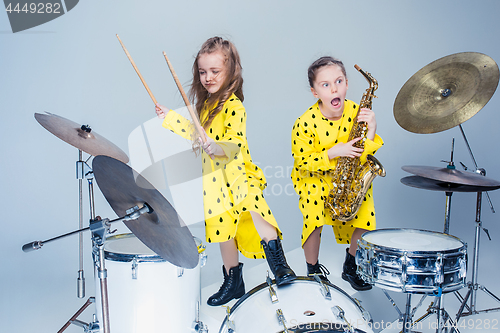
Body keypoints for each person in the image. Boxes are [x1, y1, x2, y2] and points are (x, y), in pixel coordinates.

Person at [156, 36, 296, 306]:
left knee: (258, 216)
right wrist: (170, 118)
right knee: (223, 230)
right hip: (214, 182)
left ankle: (280, 266)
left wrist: (216, 146)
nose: (208, 77)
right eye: (202, 72)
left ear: (230, 71)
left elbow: (235, 143)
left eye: (215, 71)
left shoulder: (234, 106)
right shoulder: (205, 106)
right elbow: (194, 132)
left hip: (239, 178)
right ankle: (233, 281)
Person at [291, 56, 383, 291]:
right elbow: (303, 162)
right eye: (325, 85)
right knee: (314, 216)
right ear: (314, 92)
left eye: (339, 81)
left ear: (347, 84)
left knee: (365, 211)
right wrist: (334, 152)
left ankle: (351, 265)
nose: (334, 88)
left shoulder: (358, 112)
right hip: (314, 176)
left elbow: (363, 156)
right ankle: (313, 270)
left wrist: (371, 130)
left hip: (347, 174)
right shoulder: (304, 122)